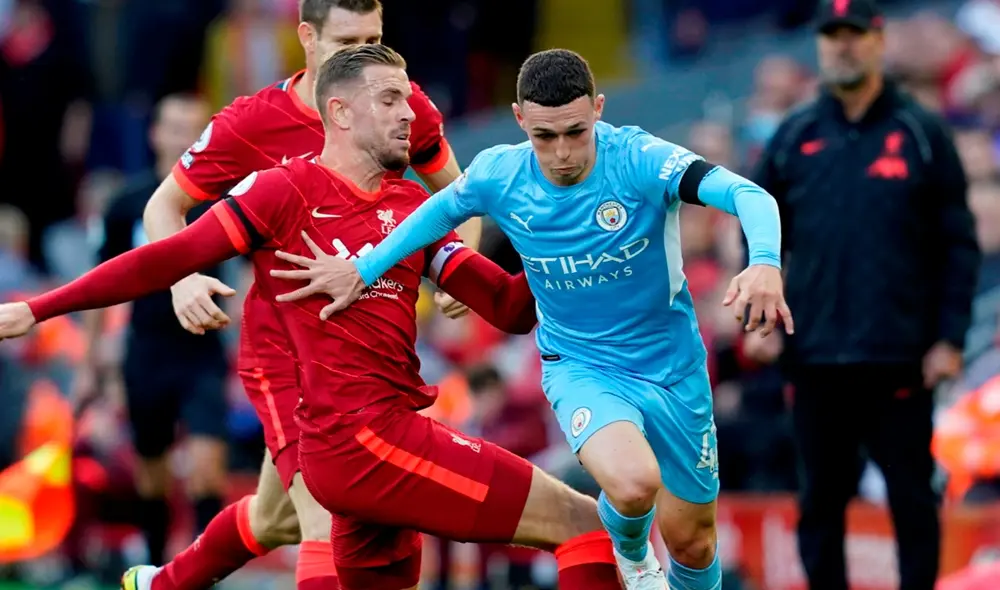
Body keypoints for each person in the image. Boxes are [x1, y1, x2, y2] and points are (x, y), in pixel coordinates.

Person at [0, 44, 627, 590]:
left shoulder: (414, 205)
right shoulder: (283, 190)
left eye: (409, 99)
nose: (412, 113)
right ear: (340, 112)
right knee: (584, 528)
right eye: (390, 100)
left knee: (291, 530)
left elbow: (510, 308)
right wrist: (37, 307)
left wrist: (567, 234)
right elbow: (161, 259)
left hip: (369, 447)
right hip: (363, 439)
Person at [280, 48, 791, 590]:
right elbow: (433, 213)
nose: (562, 153)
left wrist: (764, 264)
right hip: (581, 366)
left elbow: (747, 194)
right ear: (521, 119)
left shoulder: (640, 158)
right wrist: (363, 269)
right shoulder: (500, 173)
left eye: (575, 132)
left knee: (694, 540)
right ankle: (635, 557)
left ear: (598, 109)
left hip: (674, 368)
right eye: (545, 137)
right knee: (634, 483)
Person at [125, 1, 477, 588]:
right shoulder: (251, 122)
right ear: (307, 38)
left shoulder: (403, 103)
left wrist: (459, 268)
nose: (364, 55)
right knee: (324, 520)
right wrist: (182, 276)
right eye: (347, 40)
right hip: (283, 354)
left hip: (365, 358)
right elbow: (163, 206)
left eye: (374, 38)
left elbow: (461, 195)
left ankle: (158, 584)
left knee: (273, 520)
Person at [745, 2, 979, 589]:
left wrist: (949, 338)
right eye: (831, 37)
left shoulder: (921, 133)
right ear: (820, 48)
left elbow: (960, 247)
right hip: (815, 354)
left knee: (912, 501)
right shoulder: (794, 136)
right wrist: (762, 320)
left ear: (877, 41)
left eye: (854, 35)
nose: (842, 47)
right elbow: (756, 233)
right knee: (820, 501)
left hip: (900, 354)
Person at [76, 94, 228, 567]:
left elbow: (243, 279)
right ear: (155, 134)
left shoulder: (222, 202)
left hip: (202, 348)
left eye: (192, 128)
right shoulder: (125, 204)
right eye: (174, 126)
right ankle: (157, 568)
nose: (183, 136)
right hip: (147, 351)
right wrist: (89, 363)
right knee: (152, 476)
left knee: (206, 469)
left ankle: (206, 574)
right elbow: (100, 283)